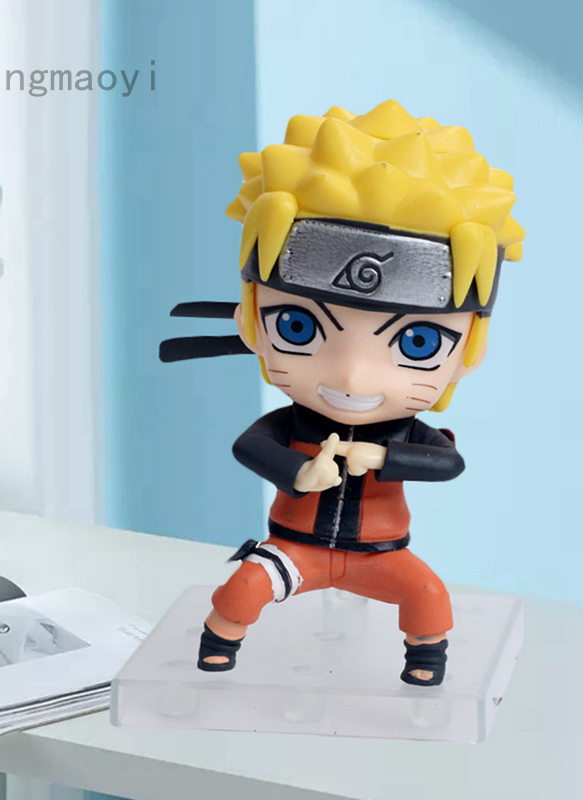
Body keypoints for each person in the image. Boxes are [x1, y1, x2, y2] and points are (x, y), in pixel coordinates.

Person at [163, 100, 524, 686]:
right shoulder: (294, 425)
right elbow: (250, 446)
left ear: (471, 349)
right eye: (297, 326)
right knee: (245, 585)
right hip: (294, 550)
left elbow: (447, 462)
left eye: (418, 342)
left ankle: (426, 660)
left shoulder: (406, 432)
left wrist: (381, 456)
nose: (352, 379)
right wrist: (299, 473)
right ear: (250, 320)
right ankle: (218, 643)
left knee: (429, 594)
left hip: (381, 557)